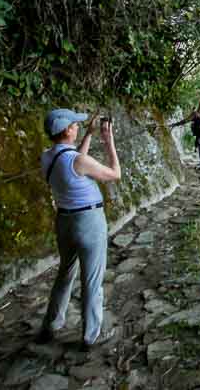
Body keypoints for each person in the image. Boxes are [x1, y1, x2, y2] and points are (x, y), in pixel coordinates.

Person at [35, 108, 121, 351]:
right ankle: (90, 336)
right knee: (91, 280)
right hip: (89, 222)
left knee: (65, 274)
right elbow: (115, 174)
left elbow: (73, 164)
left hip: (64, 222)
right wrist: (109, 142)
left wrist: (90, 135)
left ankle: (50, 325)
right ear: (68, 130)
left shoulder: (47, 157)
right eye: (76, 125)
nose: (78, 127)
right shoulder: (78, 161)